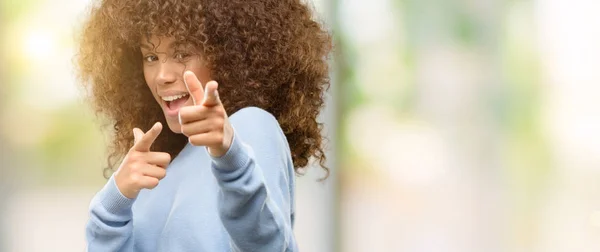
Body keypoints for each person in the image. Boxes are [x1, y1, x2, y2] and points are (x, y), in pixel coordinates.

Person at [76, 0, 331, 251]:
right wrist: (112, 206)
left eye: (182, 54)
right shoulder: (161, 163)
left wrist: (231, 158)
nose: (162, 75)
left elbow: (266, 246)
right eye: (151, 57)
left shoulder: (249, 127)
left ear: (229, 54)